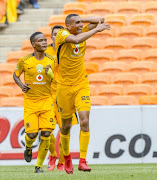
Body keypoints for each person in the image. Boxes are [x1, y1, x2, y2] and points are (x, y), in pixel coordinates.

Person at [55, 13, 111, 174]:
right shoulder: (62, 34)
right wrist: (96, 29)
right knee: (65, 126)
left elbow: (102, 19)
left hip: (81, 85)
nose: (80, 26)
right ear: (68, 26)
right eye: (76, 24)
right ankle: (66, 158)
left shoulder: (82, 30)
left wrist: (81, 21)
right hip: (64, 87)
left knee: (85, 121)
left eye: (81, 23)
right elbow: (77, 40)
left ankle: (82, 161)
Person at [13, 32, 56, 173]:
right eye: (40, 41)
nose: (44, 42)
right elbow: (15, 74)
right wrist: (21, 85)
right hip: (31, 103)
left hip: (46, 102)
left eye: (45, 40)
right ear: (33, 44)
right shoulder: (24, 60)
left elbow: (58, 80)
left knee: (46, 134)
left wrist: (51, 75)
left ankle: (38, 166)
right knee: (32, 135)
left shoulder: (51, 59)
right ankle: (29, 147)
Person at [45, 25, 79, 171]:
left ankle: (61, 161)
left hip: (64, 95)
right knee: (46, 129)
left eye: (59, 34)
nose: (56, 36)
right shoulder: (44, 52)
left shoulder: (68, 48)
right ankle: (52, 155)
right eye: (54, 34)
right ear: (51, 36)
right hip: (47, 97)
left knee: (65, 129)